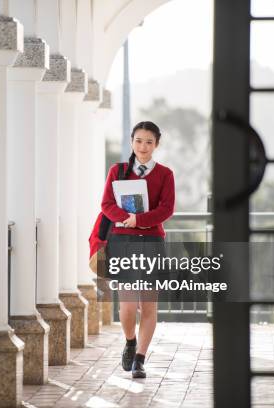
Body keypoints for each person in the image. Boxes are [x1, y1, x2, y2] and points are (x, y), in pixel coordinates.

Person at [101, 121, 175, 378]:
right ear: (132, 141)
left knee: (150, 306)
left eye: (149, 142)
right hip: (123, 243)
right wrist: (126, 218)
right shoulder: (118, 170)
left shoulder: (165, 174)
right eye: (139, 141)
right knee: (129, 306)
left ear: (156, 144)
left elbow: (167, 209)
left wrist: (139, 220)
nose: (143, 147)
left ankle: (140, 360)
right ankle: (130, 340)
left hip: (152, 242)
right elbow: (106, 204)